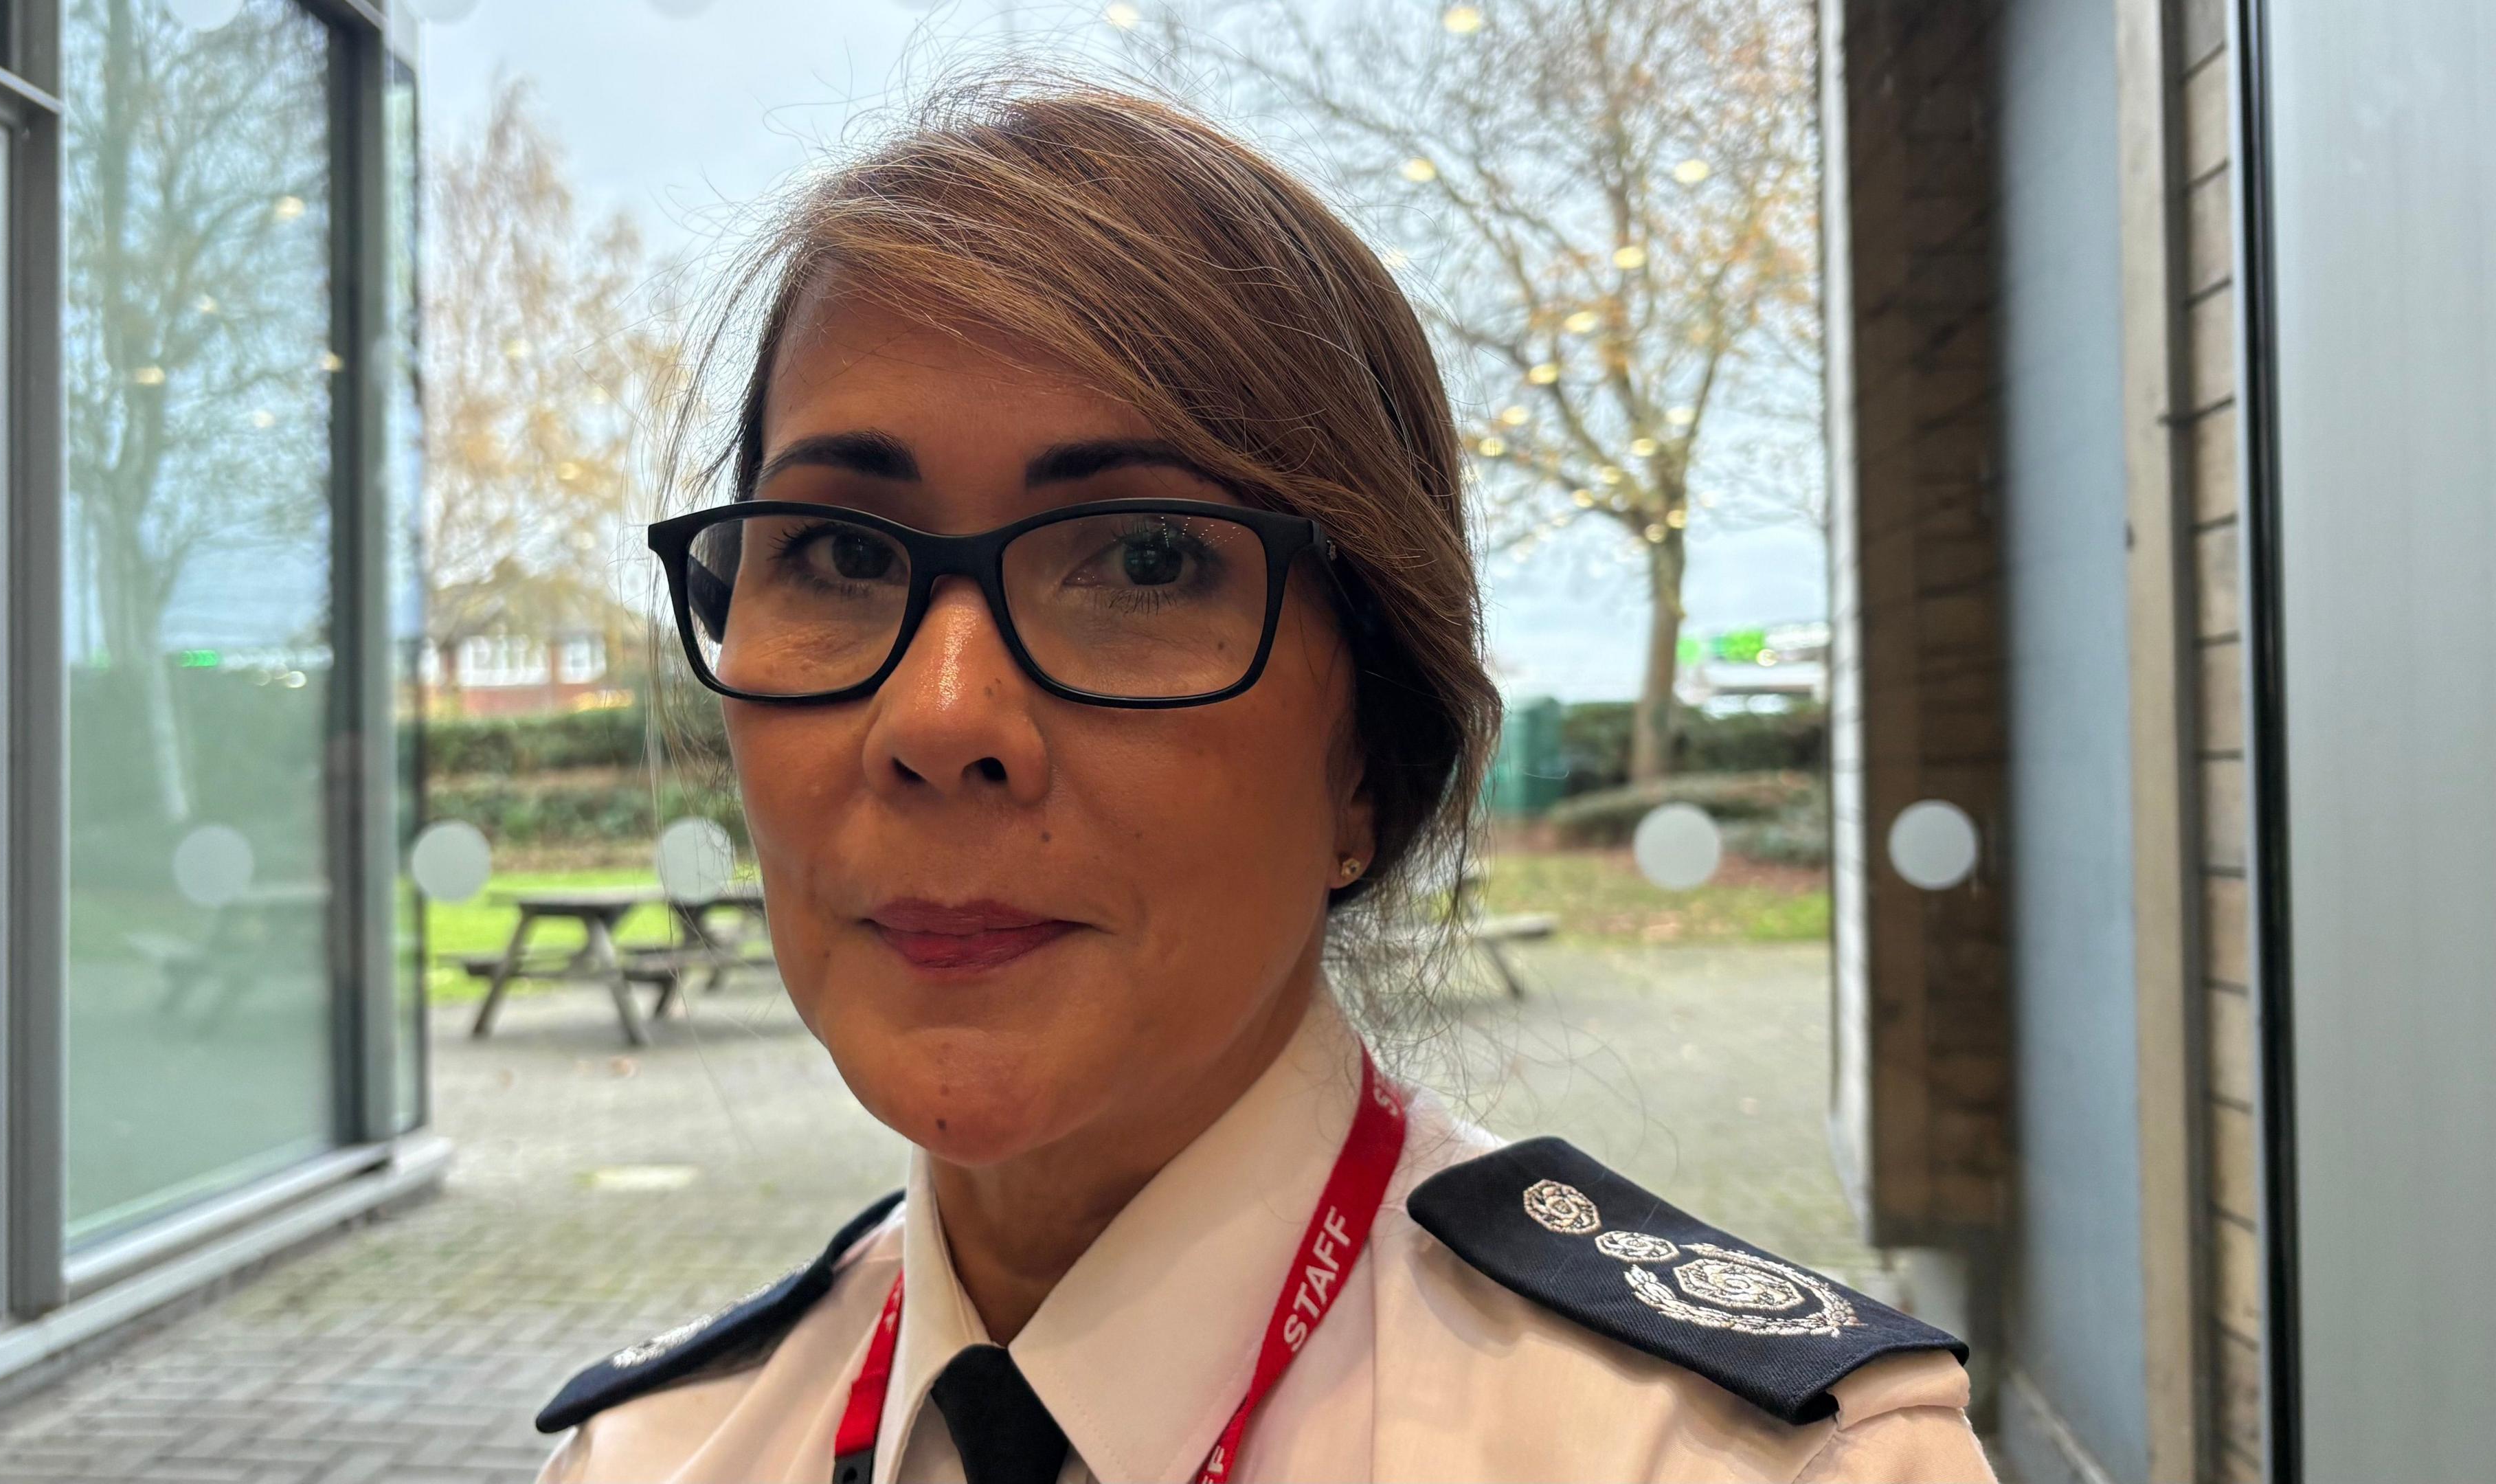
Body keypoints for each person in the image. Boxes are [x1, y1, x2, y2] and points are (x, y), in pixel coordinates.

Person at [535, 80, 1994, 1484]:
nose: (941, 716)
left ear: (1369, 749)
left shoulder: (1749, 1460)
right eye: (841, 554)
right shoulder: (655, 1453)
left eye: (1143, 558)